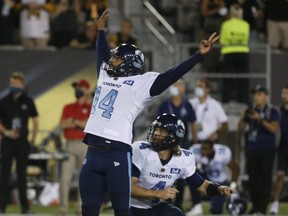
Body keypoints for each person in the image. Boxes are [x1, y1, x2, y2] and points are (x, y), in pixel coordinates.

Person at [79, 9, 219, 216]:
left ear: (129, 64)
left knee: (122, 210)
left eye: (117, 58)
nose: (112, 60)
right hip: (92, 150)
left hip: (117, 151)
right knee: (88, 210)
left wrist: (198, 56)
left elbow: (171, 75)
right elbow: (101, 54)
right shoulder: (105, 74)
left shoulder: (140, 84)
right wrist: (101, 31)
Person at [130, 113, 236, 216]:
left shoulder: (183, 158)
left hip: (154, 207)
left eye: (161, 131)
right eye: (156, 129)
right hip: (131, 207)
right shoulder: (141, 150)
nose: (156, 133)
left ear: (173, 137)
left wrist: (219, 189)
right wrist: (158, 194)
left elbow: (203, 186)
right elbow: (128, 188)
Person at [238, 84, 280, 215]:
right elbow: (240, 128)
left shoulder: (272, 111)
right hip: (252, 148)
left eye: (259, 94)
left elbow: (273, 129)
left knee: (265, 179)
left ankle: (262, 208)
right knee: (253, 179)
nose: (256, 97)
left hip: (267, 149)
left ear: (266, 96)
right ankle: (255, 207)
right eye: (255, 94)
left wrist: (259, 119)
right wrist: (243, 116)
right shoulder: (250, 110)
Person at [0, 72, 39, 213]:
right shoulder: (3, 101)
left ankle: (25, 208)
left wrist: (33, 139)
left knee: (22, 174)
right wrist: (6, 132)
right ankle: (2, 207)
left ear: (22, 85)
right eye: (11, 83)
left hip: (22, 142)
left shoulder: (28, 101)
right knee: (4, 173)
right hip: (7, 141)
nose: (13, 86)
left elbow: (35, 120)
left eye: (16, 84)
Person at [157, 79, 198, 210]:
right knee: (165, 174)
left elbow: (193, 124)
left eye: (177, 84)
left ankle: (178, 205)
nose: (174, 87)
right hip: (167, 145)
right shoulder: (164, 105)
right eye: (173, 84)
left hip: (183, 144)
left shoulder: (187, 105)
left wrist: (195, 142)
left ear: (183, 89)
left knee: (180, 176)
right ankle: (164, 203)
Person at [57, 79, 91, 215]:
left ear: (86, 90)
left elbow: (88, 125)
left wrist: (73, 121)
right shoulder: (68, 106)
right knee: (65, 177)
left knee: (84, 178)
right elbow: (63, 124)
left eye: (79, 88)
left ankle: (80, 206)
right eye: (76, 87)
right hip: (70, 144)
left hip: (85, 145)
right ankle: (62, 207)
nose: (77, 90)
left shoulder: (92, 107)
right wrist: (79, 123)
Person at [187, 140, 239, 215]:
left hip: (219, 182)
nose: (203, 152)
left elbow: (235, 169)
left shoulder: (222, 152)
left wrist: (233, 184)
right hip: (205, 178)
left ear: (212, 149)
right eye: (202, 149)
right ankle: (196, 205)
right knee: (192, 176)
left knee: (216, 210)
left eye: (206, 150)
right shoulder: (194, 150)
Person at [220, 4, 250, 103]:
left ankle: (225, 100)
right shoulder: (246, 25)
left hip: (229, 52)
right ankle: (243, 100)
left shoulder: (226, 24)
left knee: (227, 78)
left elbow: (222, 41)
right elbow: (247, 39)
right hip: (243, 52)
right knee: (242, 78)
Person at [270, 85, 288, 214]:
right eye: (283, 93)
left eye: (286, 93)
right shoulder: (278, 112)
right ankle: (275, 203)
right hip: (283, 148)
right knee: (280, 175)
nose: (284, 95)